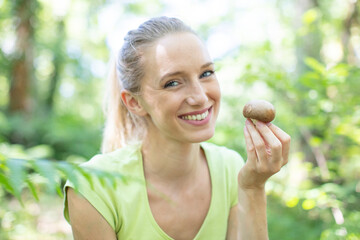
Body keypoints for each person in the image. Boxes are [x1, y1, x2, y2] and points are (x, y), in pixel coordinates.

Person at [63, 16, 291, 240]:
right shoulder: (91, 188)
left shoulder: (230, 169)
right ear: (134, 102)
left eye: (206, 73)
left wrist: (252, 187)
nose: (201, 97)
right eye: (173, 82)